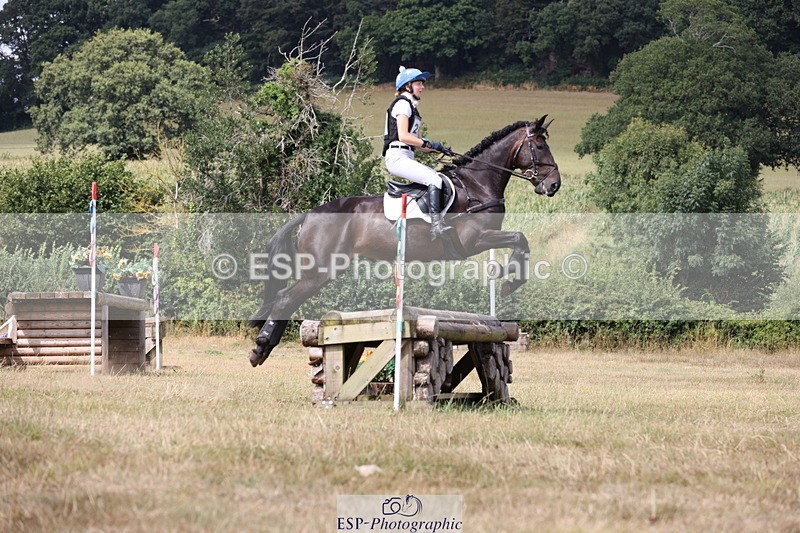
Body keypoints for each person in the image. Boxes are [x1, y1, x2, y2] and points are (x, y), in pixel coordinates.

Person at [383, 66, 452, 239]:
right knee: (434, 179)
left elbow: (419, 144)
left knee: (438, 178)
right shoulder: (402, 105)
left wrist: (437, 147)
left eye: (422, 83)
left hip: (406, 155)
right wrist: (427, 142)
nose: (422, 87)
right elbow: (403, 136)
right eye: (419, 83)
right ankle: (436, 226)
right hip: (397, 156)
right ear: (408, 86)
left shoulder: (413, 110)